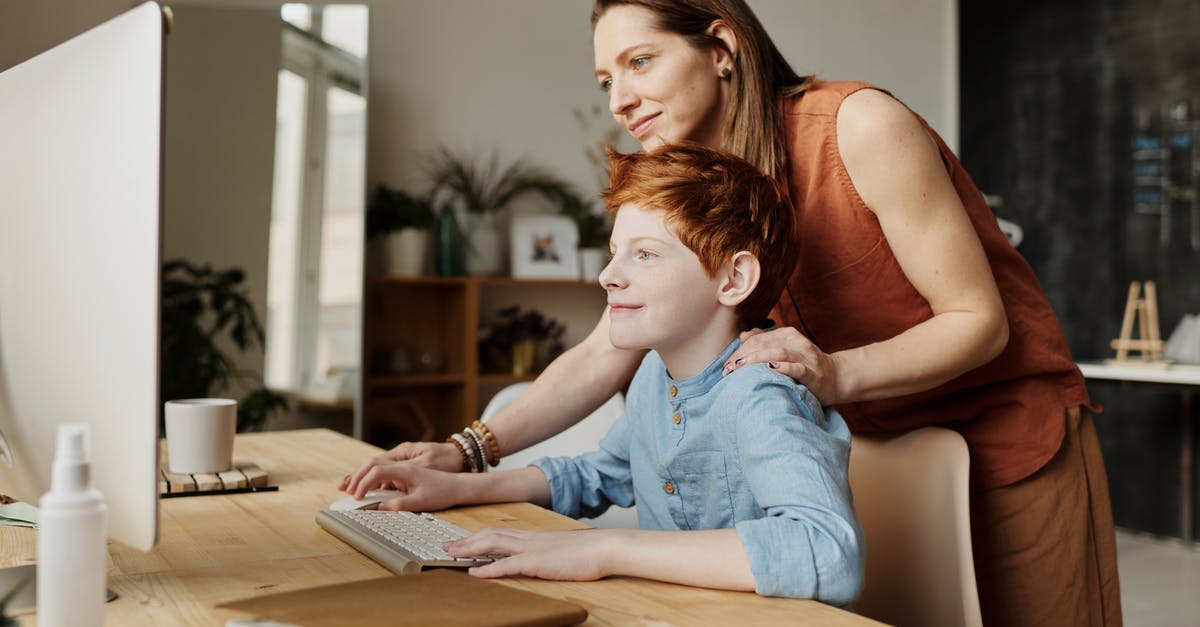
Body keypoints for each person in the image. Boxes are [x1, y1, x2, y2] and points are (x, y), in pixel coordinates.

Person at [344, 2, 1121, 625]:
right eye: (605, 78)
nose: (620, 98)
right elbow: (603, 350)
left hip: (1009, 436)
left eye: (640, 61)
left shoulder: (858, 126)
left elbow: (978, 319)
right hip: (868, 444)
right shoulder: (687, 180)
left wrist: (833, 372)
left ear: (721, 46)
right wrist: (466, 450)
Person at [344, 143, 865, 603]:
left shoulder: (761, 394)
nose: (608, 275)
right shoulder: (652, 379)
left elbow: (827, 551)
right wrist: (456, 486)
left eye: (644, 254)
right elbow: (602, 475)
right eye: (616, 252)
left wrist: (604, 549)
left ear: (733, 279)